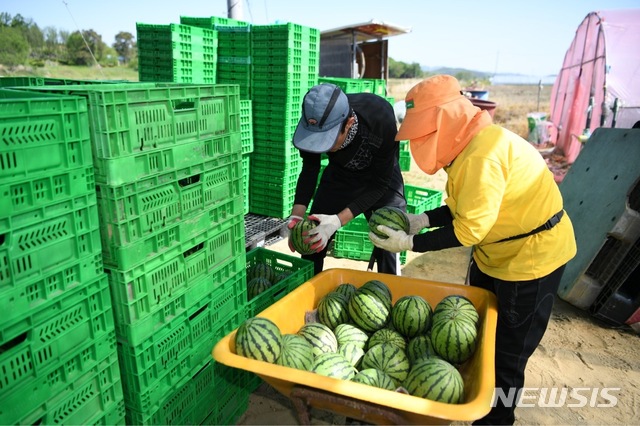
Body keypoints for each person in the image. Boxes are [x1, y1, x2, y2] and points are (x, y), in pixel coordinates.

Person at [368, 75, 577, 425]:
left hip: (530, 262)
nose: (418, 142)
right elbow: (468, 205)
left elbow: (469, 228)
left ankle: (496, 419)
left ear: (445, 122)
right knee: (480, 337)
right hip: (496, 253)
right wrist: (424, 218)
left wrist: (410, 243)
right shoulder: (470, 147)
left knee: (507, 354)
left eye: (424, 133)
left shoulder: (484, 154)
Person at [283, 82, 407, 275]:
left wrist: (337, 221)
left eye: (328, 140)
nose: (321, 146)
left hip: (381, 177)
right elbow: (309, 170)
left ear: (348, 124)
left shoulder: (379, 117)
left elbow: (380, 184)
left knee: (389, 236)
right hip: (341, 174)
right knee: (314, 235)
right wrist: (296, 217)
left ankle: (389, 289)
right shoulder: (312, 124)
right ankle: (308, 291)